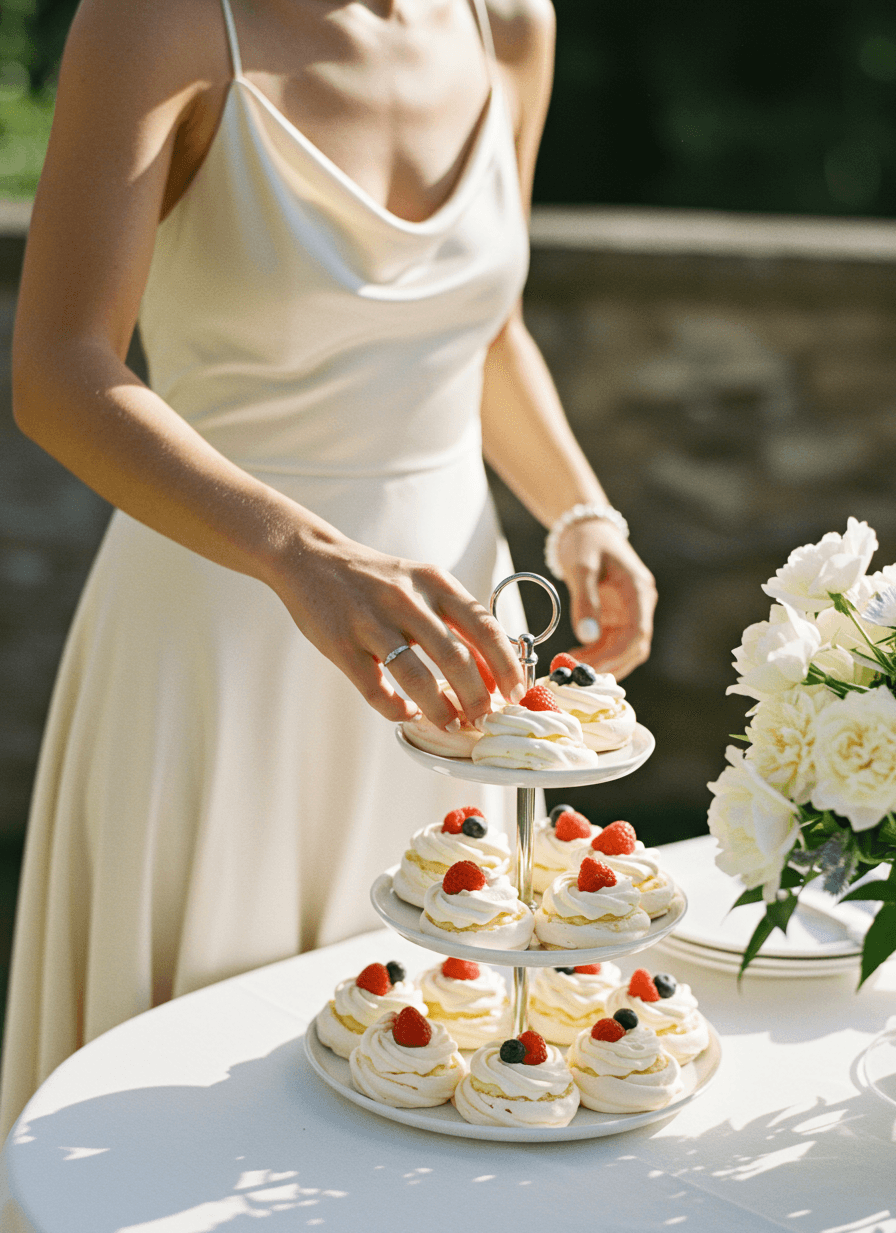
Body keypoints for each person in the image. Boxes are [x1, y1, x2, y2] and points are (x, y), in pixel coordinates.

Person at [1, 0, 656, 1136]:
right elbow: (58, 370)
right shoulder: (157, 23)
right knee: (184, 1104)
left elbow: (485, 329)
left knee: (452, 1050)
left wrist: (579, 509)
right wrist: (298, 551)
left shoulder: (509, 26)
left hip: (455, 651)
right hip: (218, 629)